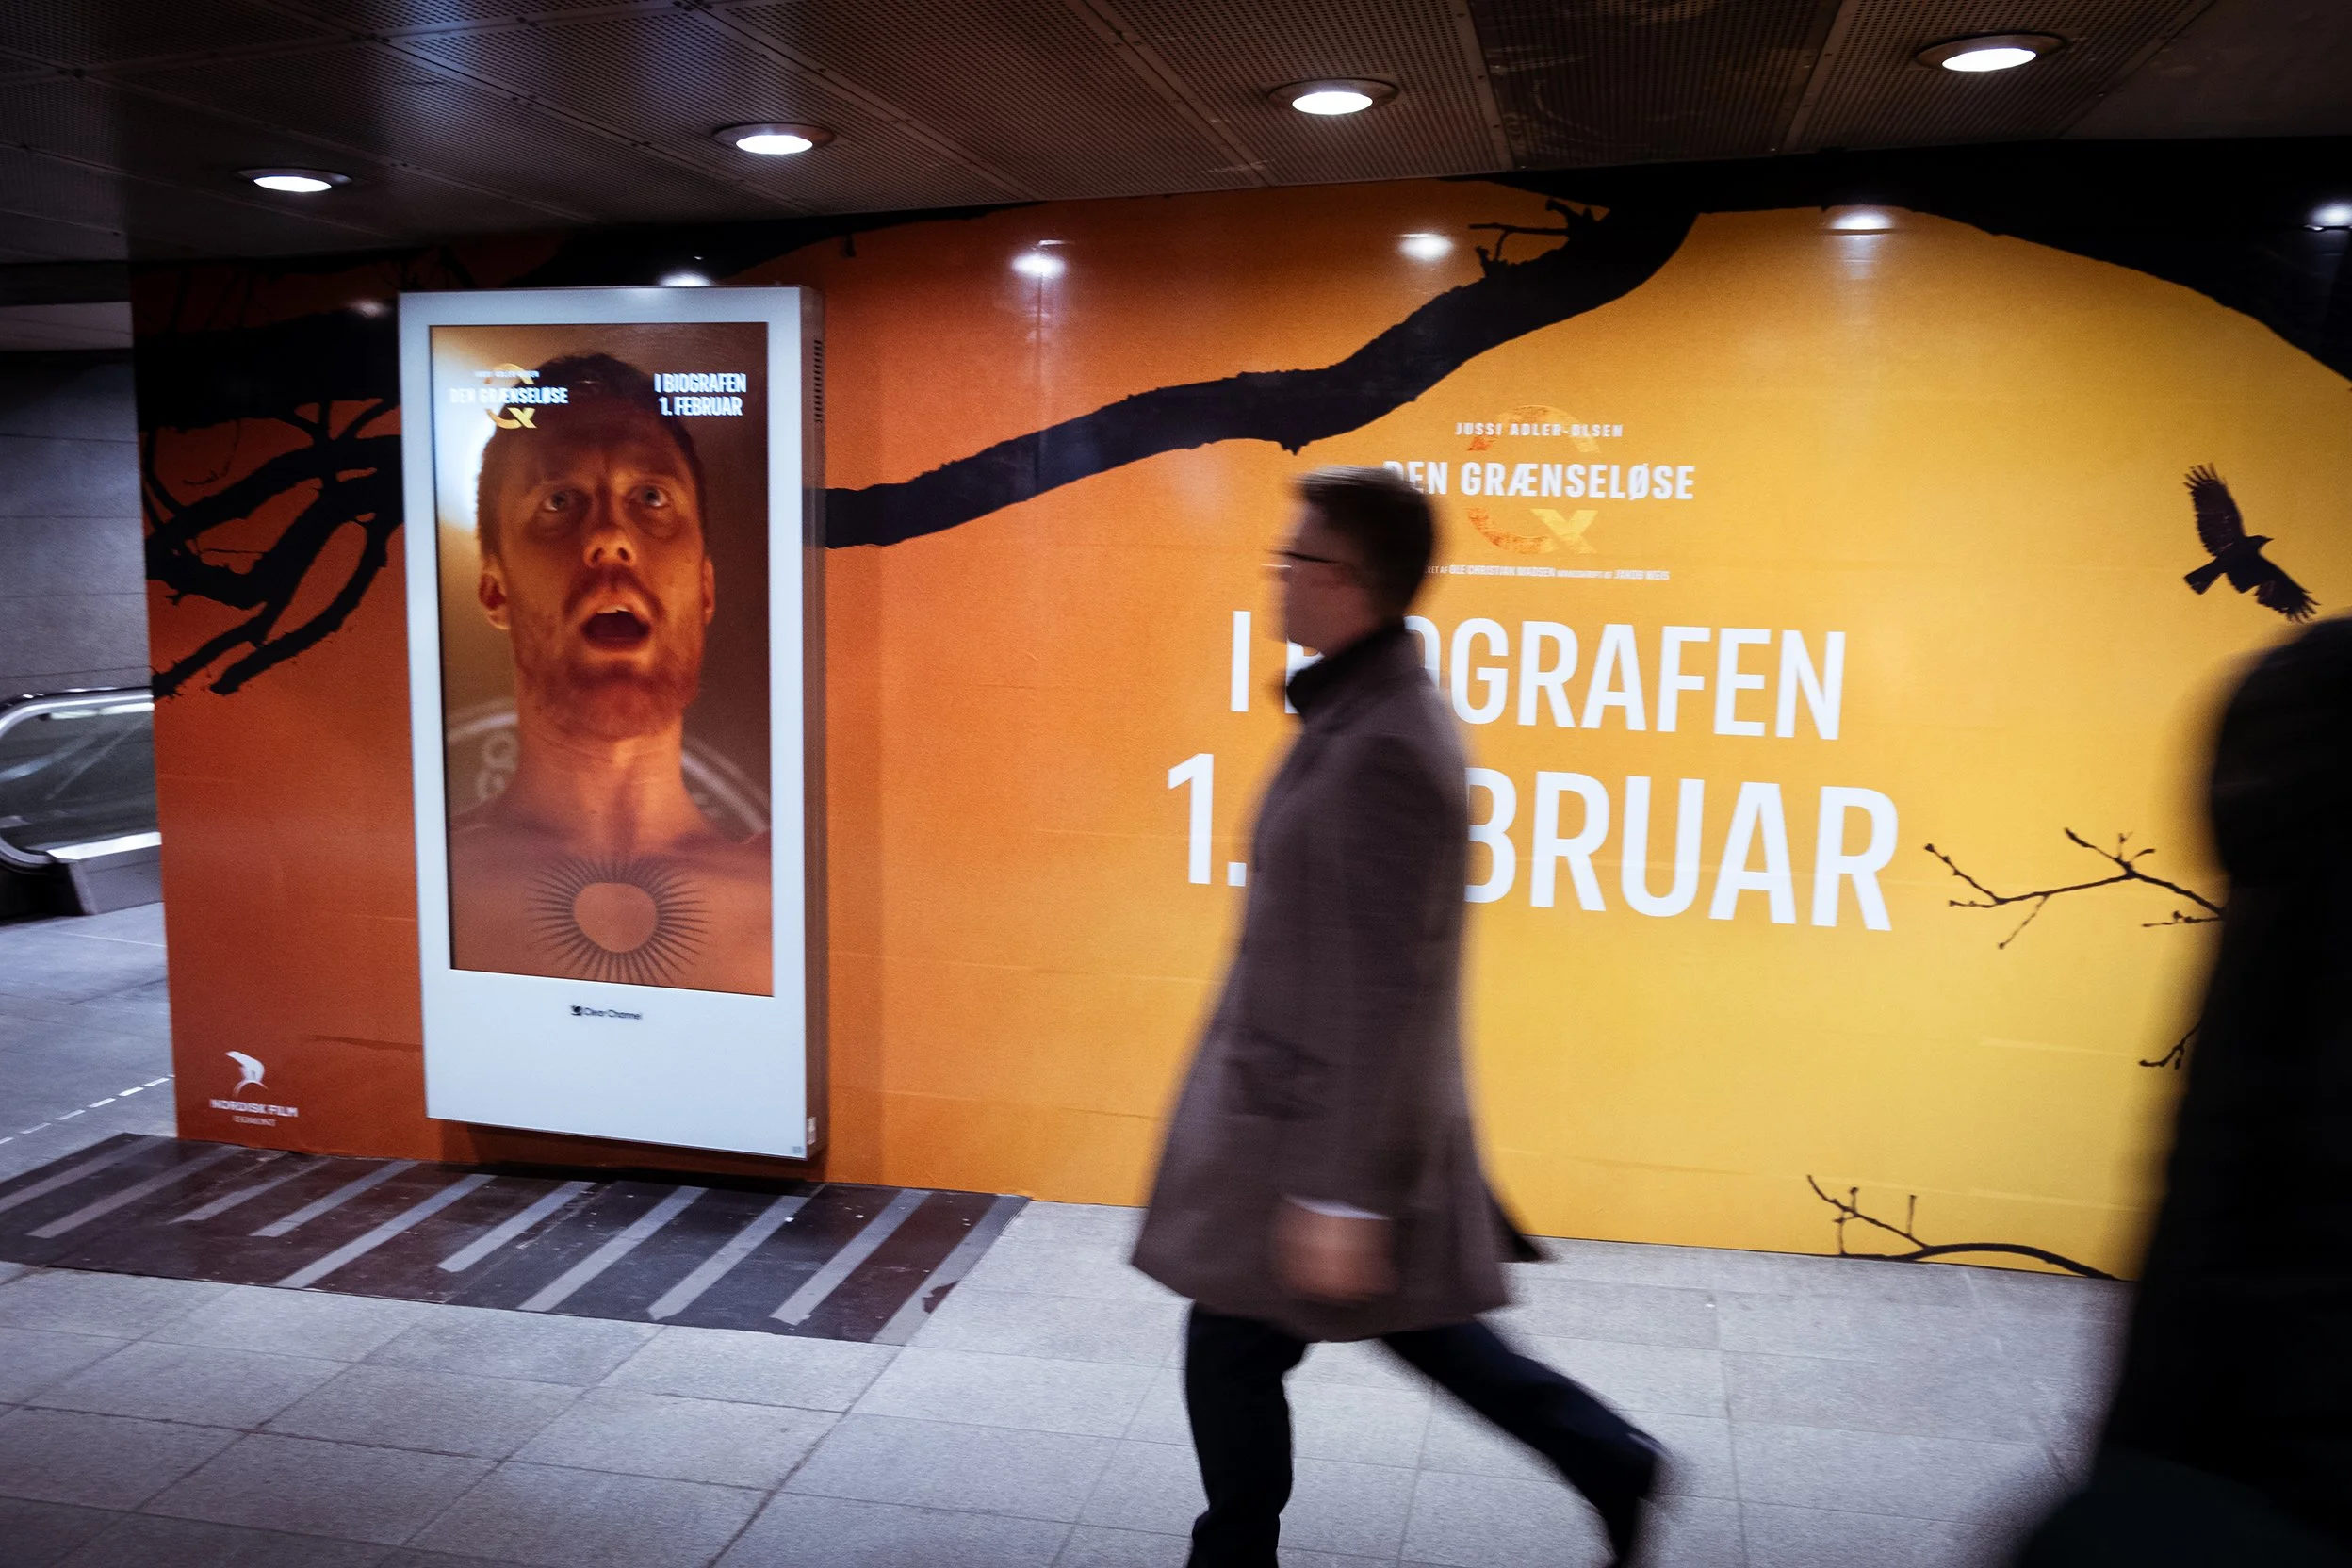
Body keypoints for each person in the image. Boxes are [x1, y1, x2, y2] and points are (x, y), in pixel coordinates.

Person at [1132, 466, 1664, 1567]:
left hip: (1315, 1129)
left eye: (1298, 558)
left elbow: (1388, 991)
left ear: (1353, 579)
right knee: (1309, 1335)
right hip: (1292, 1114)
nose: (1278, 576)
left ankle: (1237, 1550)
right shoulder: (1355, 709)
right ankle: (1604, 1455)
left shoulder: (1389, 748)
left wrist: (1340, 1186)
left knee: (1254, 1341)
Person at [2012, 617, 2352, 1568]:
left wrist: (2137, 1450)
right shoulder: (2316, 710)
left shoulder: (2302, 709)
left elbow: (2217, 1178)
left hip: (2222, 1428)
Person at [447, 352, 771, 996]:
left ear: (705, 590)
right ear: (494, 592)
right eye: (559, 501)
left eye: (650, 497)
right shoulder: (428, 876)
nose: (611, 537)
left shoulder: (795, 892)